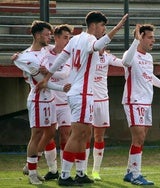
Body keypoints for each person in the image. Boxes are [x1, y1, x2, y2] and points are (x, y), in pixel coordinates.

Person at [35, 11, 128, 186]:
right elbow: (100, 43)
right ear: (93, 25)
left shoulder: (75, 39)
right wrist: (117, 28)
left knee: (84, 134)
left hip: (78, 93)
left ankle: (79, 173)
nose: (103, 29)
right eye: (102, 25)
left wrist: (48, 77)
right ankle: (64, 175)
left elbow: (62, 57)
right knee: (77, 135)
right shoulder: (90, 40)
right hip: (82, 93)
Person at [121, 24, 160, 186]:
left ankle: (130, 172)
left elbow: (150, 77)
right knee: (138, 137)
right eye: (149, 37)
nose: (153, 40)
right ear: (140, 37)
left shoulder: (148, 57)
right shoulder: (131, 53)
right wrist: (135, 41)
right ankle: (135, 174)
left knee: (141, 138)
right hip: (134, 100)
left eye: (153, 37)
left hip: (147, 101)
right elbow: (124, 62)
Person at [13, 20, 71, 185]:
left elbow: (58, 51)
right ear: (38, 35)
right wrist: (62, 88)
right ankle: (32, 173)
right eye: (46, 34)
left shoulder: (45, 50)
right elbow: (43, 83)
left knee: (51, 132)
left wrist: (16, 57)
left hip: (50, 98)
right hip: (38, 99)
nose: (49, 38)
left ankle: (30, 166)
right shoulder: (30, 59)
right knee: (36, 135)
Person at [41, 24, 74, 181]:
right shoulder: (46, 52)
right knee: (48, 136)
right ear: (56, 37)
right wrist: (18, 56)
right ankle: (53, 169)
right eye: (65, 37)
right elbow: (31, 55)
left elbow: (64, 74)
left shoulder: (70, 54)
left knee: (65, 135)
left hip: (66, 102)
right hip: (50, 100)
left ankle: (65, 171)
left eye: (69, 38)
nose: (68, 41)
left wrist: (46, 72)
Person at [87, 47, 123, 181]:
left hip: (102, 101)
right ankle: (82, 170)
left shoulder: (107, 57)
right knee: (85, 135)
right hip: (88, 99)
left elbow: (124, 62)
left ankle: (95, 171)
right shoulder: (88, 55)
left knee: (99, 136)